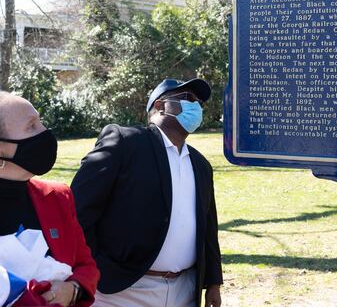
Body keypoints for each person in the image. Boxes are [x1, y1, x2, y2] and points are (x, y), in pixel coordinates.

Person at [71, 78, 223, 307]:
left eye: (200, 102)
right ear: (160, 105)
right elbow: (79, 209)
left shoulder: (201, 165)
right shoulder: (126, 142)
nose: (197, 107)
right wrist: (93, 268)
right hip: (122, 291)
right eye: (189, 99)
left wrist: (213, 282)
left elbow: (208, 228)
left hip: (184, 289)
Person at [0, 91, 99, 306]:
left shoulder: (58, 196)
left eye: (40, 122)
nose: (45, 132)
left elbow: (86, 265)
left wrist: (72, 290)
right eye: (32, 126)